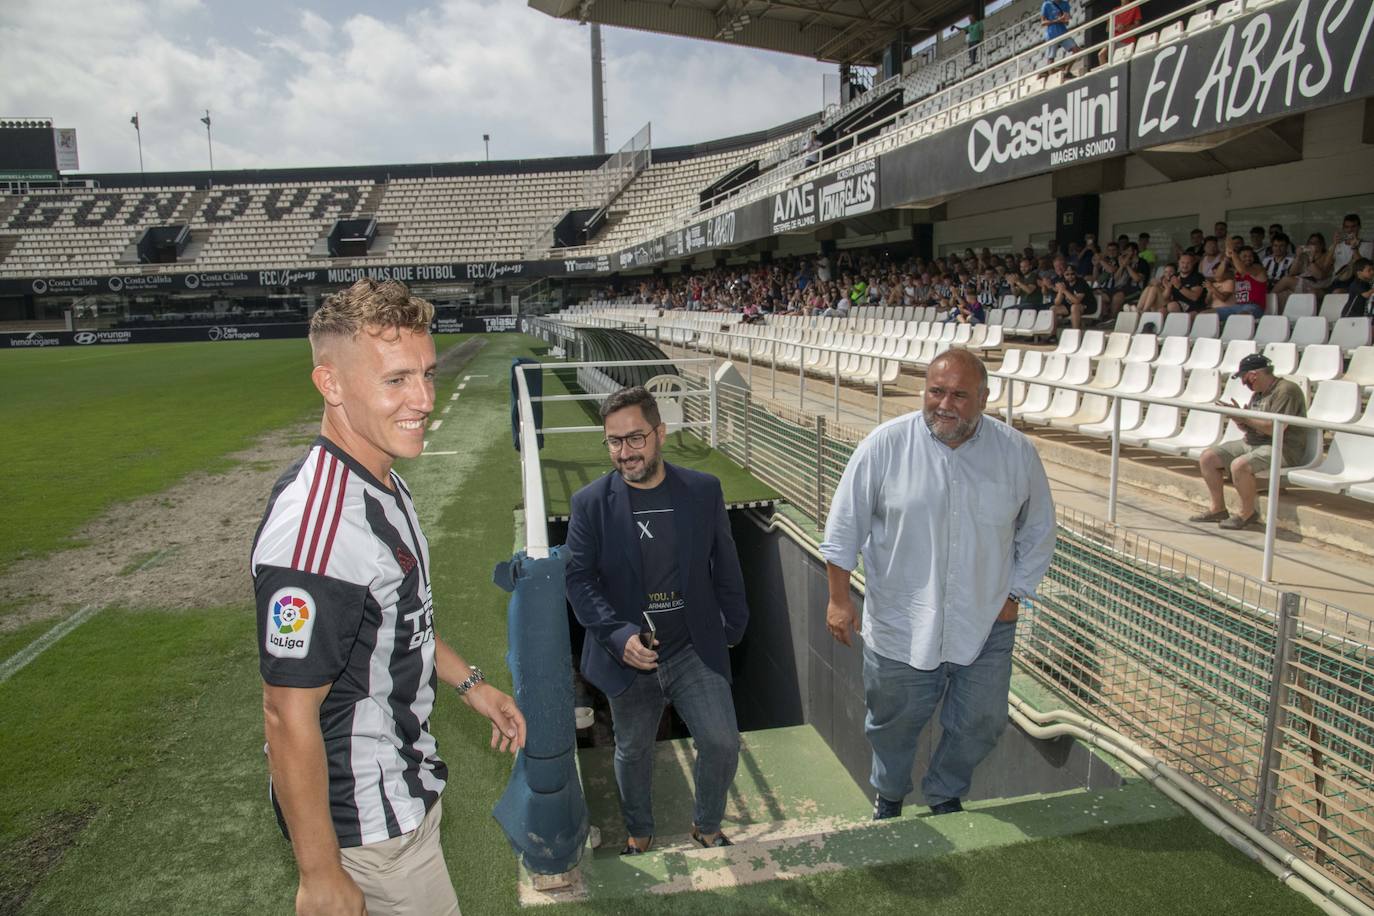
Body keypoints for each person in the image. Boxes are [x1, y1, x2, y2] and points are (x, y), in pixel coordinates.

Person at [253, 279, 526, 916]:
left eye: (426, 374)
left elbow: (401, 622)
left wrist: (473, 687)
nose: (424, 399)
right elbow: (285, 714)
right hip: (367, 829)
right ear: (331, 384)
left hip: (401, 790)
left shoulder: (380, 480)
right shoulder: (318, 533)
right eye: (397, 380)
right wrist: (320, 874)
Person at [820, 349, 1056, 820]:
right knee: (891, 725)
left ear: (985, 399)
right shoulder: (884, 445)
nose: (944, 404)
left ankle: (945, 795)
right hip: (902, 623)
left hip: (986, 623)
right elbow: (844, 526)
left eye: (959, 395)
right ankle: (889, 797)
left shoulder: (1016, 454)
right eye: (935, 391)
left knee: (982, 723)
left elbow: (1039, 529)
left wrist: (1015, 594)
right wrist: (838, 599)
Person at [565, 386, 749, 855]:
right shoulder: (589, 503)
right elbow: (580, 581)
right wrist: (619, 635)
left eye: (635, 439)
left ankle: (707, 826)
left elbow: (725, 563)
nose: (624, 453)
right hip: (630, 658)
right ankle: (639, 832)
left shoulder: (703, 490)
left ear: (660, 433)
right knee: (633, 750)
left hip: (692, 649)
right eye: (614, 442)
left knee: (723, 742)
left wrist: (732, 626)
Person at [1192, 354, 1308, 530]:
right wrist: (1240, 420)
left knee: (1240, 466)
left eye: (1244, 379)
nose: (1243, 384)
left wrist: (1244, 418)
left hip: (1283, 447)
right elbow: (1253, 427)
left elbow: (1273, 428)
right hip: (1254, 442)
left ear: (1254, 374)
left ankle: (1247, 513)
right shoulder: (1258, 394)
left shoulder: (1286, 390)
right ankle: (1218, 509)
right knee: (1208, 457)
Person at [1042, 0, 1078, 75]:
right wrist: (1057, 20)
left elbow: (1066, 22)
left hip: (1063, 32)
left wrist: (1065, 19)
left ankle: (1067, 71)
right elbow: (1043, 22)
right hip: (1052, 34)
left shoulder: (1065, 4)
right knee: (1051, 58)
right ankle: (1052, 77)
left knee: (1076, 50)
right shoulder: (1046, 4)